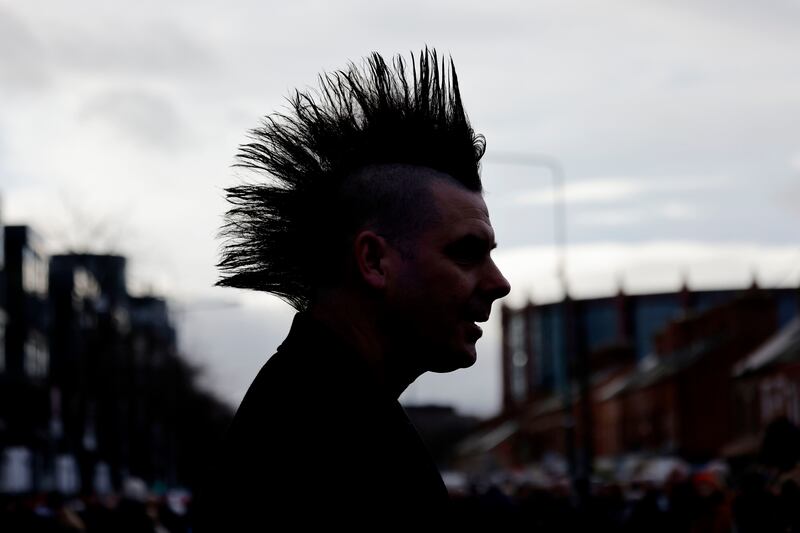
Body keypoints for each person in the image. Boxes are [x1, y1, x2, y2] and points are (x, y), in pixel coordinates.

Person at [195, 48, 511, 529]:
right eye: (466, 252)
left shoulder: (323, 410)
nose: (498, 283)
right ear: (373, 260)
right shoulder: (323, 441)